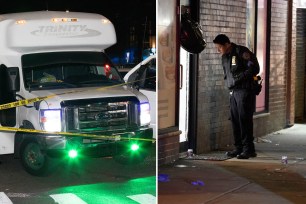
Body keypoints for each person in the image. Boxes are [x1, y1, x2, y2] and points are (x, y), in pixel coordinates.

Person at [213, 34, 260, 159]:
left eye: (219, 47)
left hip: (244, 90)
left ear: (227, 44)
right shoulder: (225, 57)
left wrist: (238, 78)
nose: (218, 50)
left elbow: (254, 68)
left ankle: (248, 149)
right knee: (235, 120)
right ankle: (238, 148)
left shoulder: (241, 52)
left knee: (244, 120)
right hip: (233, 91)